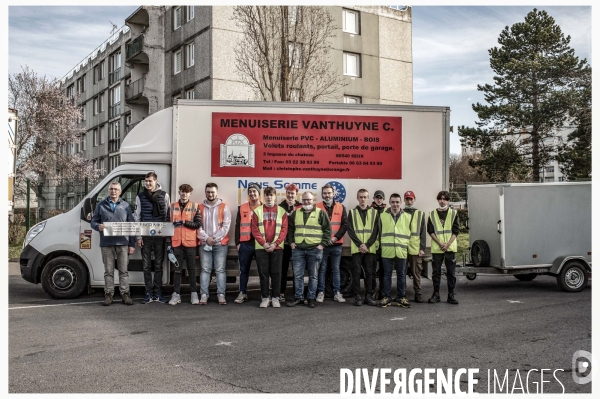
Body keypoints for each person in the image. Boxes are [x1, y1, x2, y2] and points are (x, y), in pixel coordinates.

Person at [91, 182, 136, 306]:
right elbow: (93, 222)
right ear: (108, 190)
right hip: (106, 243)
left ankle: (125, 294)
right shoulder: (101, 205)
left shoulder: (126, 206)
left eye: (116, 189)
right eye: (111, 189)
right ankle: (109, 294)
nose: (113, 191)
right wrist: (97, 226)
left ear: (120, 192)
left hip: (123, 243)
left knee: (123, 271)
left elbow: (131, 226)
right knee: (108, 271)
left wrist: (132, 244)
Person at [286, 191, 331, 308]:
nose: (306, 202)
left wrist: (322, 245)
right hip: (298, 249)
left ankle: (311, 298)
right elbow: (290, 229)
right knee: (298, 276)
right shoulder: (296, 213)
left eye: (309, 200)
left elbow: (327, 230)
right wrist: (291, 243)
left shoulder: (320, 213)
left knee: (313, 276)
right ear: (301, 201)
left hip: (315, 249)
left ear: (313, 201)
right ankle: (299, 298)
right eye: (304, 200)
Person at [134, 172, 171, 304]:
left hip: (160, 236)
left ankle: (158, 293)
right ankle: (148, 293)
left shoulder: (164, 195)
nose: (148, 184)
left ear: (156, 181)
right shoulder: (140, 196)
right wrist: (138, 236)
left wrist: (167, 235)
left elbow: (168, 215)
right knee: (146, 266)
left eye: (150, 181)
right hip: (146, 236)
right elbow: (137, 217)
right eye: (146, 181)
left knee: (159, 265)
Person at [251, 186, 288, 308]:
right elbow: (254, 229)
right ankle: (265, 297)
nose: (269, 197)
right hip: (262, 248)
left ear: (275, 196)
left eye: (271, 195)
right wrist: (264, 243)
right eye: (267, 195)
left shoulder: (282, 211)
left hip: (277, 248)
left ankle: (276, 297)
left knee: (276, 273)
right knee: (263, 273)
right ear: (264, 197)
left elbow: (284, 230)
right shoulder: (258, 211)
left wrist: (275, 244)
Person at [167, 184, 202, 305]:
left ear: (190, 194)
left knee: (191, 269)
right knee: (177, 269)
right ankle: (176, 294)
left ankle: (194, 294)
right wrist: (168, 244)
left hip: (190, 243)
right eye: (182, 191)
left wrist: (184, 222)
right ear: (179, 192)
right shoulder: (171, 207)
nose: (184, 194)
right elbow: (167, 227)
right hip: (176, 243)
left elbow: (197, 224)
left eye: (186, 192)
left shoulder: (195, 206)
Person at [198, 182, 231, 305]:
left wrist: (214, 239)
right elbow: (198, 226)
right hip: (204, 243)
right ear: (205, 192)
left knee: (220, 270)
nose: (210, 194)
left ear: (217, 193)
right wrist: (206, 238)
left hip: (220, 243)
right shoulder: (200, 207)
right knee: (205, 269)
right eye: (208, 192)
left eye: (212, 192)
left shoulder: (224, 207)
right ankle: (204, 295)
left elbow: (225, 227)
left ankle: (221, 295)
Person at [315, 183, 348, 303]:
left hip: (336, 244)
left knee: (336, 269)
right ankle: (321, 292)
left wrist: (335, 238)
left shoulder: (341, 207)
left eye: (329, 193)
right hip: (322, 245)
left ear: (333, 194)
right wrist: (324, 241)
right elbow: (315, 226)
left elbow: (345, 225)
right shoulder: (317, 207)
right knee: (322, 269)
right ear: (322, 194)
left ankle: (337, 293)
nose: (327, 195)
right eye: (325, 193)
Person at [377, 193, 411, 308]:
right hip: (387, 250)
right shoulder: (382, 215)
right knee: (387, 275)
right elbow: (379, 232)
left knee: (401, 275)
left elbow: (409, 233)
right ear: (389, 202)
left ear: (401, 202)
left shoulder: (407, 216)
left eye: (397, 202)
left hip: (401, 250)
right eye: (393, 202)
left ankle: (401, 297)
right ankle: (387, 297)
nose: (395, 204)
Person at [347, 189, 380, 306]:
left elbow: (376, 231)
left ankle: (368, 296)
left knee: (370, 273)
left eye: (365, 197)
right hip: (357, 248)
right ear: (357, 198)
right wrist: (360, 244)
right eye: (360, 197)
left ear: (368, 198)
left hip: (369, 248)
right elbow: (350, 230)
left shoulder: (374, 212)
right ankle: (357, 296)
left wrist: (367, 245)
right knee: (356, 272)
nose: (363, 199)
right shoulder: (351, 212)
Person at [427, 190, 460, 305]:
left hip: (450, 248)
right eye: (440, 199)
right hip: (437, 248)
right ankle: (436, 294)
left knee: (451, 272)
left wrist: (447, 244)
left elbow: (456, 231)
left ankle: (451, 295)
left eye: (444, 199)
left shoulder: (453, 213)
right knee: (436, 272)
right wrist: (440, 243)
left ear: (448, 200)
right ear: (438, 200)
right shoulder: (432, 214)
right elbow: (430, 231)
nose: (442, 201)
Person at [234, 183, 262, 304]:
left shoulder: (264, 208)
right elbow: (237, 226)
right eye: (250, 191)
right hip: (245, 244)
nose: (252, 193)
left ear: (259, 193)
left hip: (260, 244)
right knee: (243, 270)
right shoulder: (242, 208)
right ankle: (243, 293)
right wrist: (237, 243)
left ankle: (265, 294)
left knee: (263, 270)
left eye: (254, 191)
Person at [278, 183, 302, 302]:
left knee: (297, 270)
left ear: (296, 194)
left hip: (296, 243)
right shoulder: (280, 206)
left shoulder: (301, 207)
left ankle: (296, 293)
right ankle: (281, 292)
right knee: (282, 269)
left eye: (292, 193)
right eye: (288, 193)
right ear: (285, 193)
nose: (290, 195)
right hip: (284, 244)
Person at [403, 190, 426, 303]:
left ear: (414, 199)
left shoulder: (420, 214)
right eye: (407, 199)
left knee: (416, 272)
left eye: (411, 199)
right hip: (402, 247)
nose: (409, 201)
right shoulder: (400, 213)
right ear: (404, 200)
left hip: (415, 248)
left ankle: (418, 293)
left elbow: (422, 232)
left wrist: (422, 248)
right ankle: (402, 293)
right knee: (402, 271)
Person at [370, 190, 387, 300]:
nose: (379, 200)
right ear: (374, 198)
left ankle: (382, 292)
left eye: (381, 198)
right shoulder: (369, 211)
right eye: (377, 198)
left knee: (383, 271)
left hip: (384, 246)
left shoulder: (387, 211)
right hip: (372, 245)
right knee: (371, 271)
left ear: (383, 199)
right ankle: (372, 291)